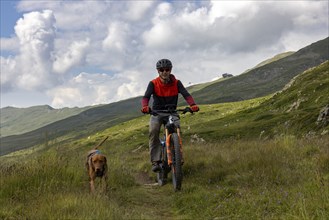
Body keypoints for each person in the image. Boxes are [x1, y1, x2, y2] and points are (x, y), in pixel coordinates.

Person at [141, 58, 199, 172]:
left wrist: (193, 105)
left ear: (170, 70)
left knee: (176, 129)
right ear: (158, 71)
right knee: (153, 132)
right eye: (161, 70)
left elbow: (186, 94)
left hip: (172, 112)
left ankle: (177, 156)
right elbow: (146, 97)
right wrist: (145, 106)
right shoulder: (153, 83)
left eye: (167, 69)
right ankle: (155, 161)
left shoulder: (177, 83)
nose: (164, 72)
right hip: (157, 113)